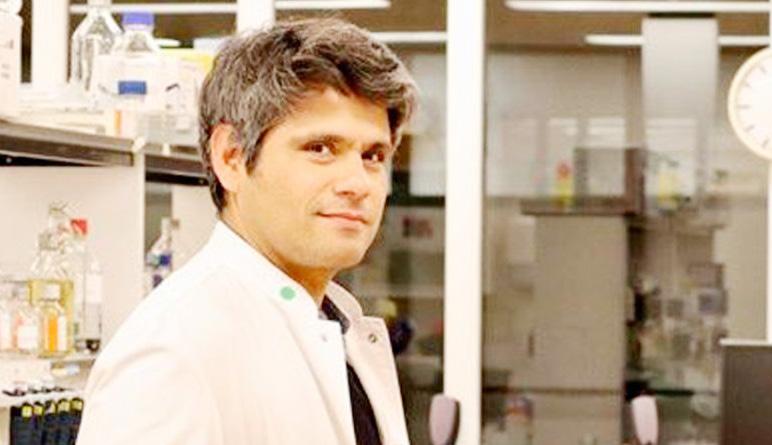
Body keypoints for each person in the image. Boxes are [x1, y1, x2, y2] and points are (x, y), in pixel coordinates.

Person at [76, 17, 417, 445]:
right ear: (232, 157)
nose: (357, 183)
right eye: (320, 149)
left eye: (372, 156)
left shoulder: (336, 326)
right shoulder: (171, 353)